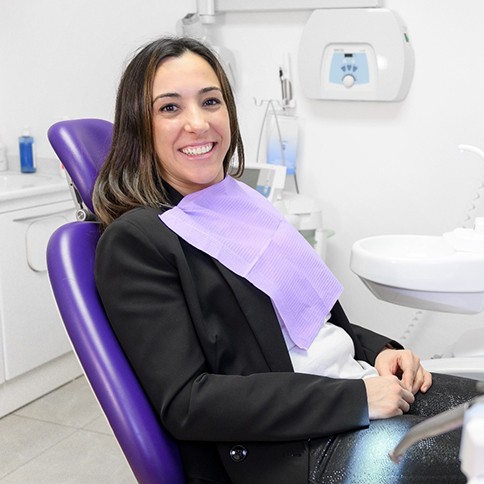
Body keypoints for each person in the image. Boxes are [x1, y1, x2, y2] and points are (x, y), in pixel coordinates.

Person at [93, 36, 479, 484]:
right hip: (302, 449)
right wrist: (356, 399)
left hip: (356, 387)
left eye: (211, 101)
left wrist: (383, 354)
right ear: (139, 126)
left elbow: (312, 323)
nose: (198, 123)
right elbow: (189, 401)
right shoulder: (139, 241)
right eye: (170, 108)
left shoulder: (238, 204)